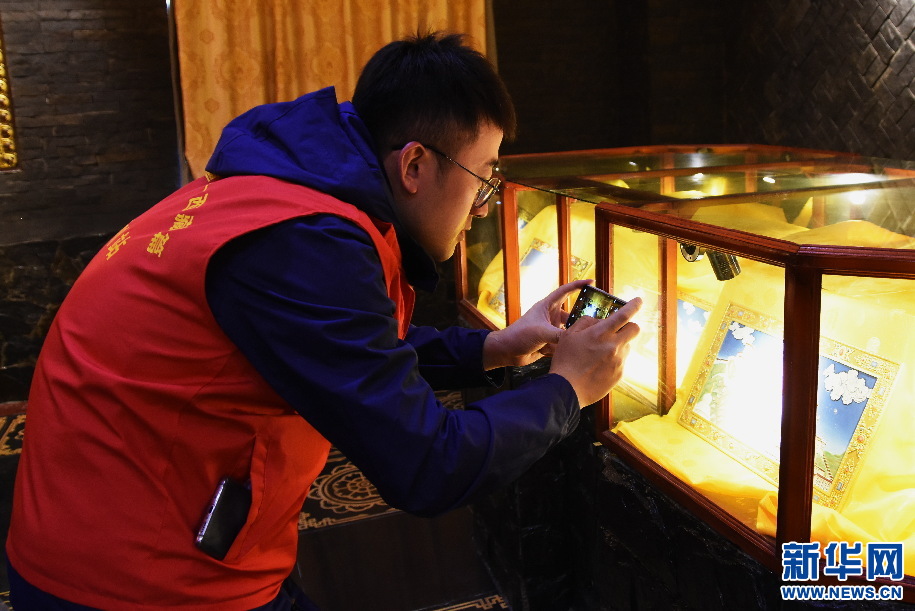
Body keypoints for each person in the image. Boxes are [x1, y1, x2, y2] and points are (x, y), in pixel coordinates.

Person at [6, 31, 641, 609]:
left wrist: (494, 347)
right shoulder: (305, 241)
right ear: (415, 165)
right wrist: (568, 388)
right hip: (135, 577)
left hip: (156, 523)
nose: (482, 207)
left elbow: (354, 348)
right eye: (484, 179)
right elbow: (426, 465)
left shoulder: (294, 193)